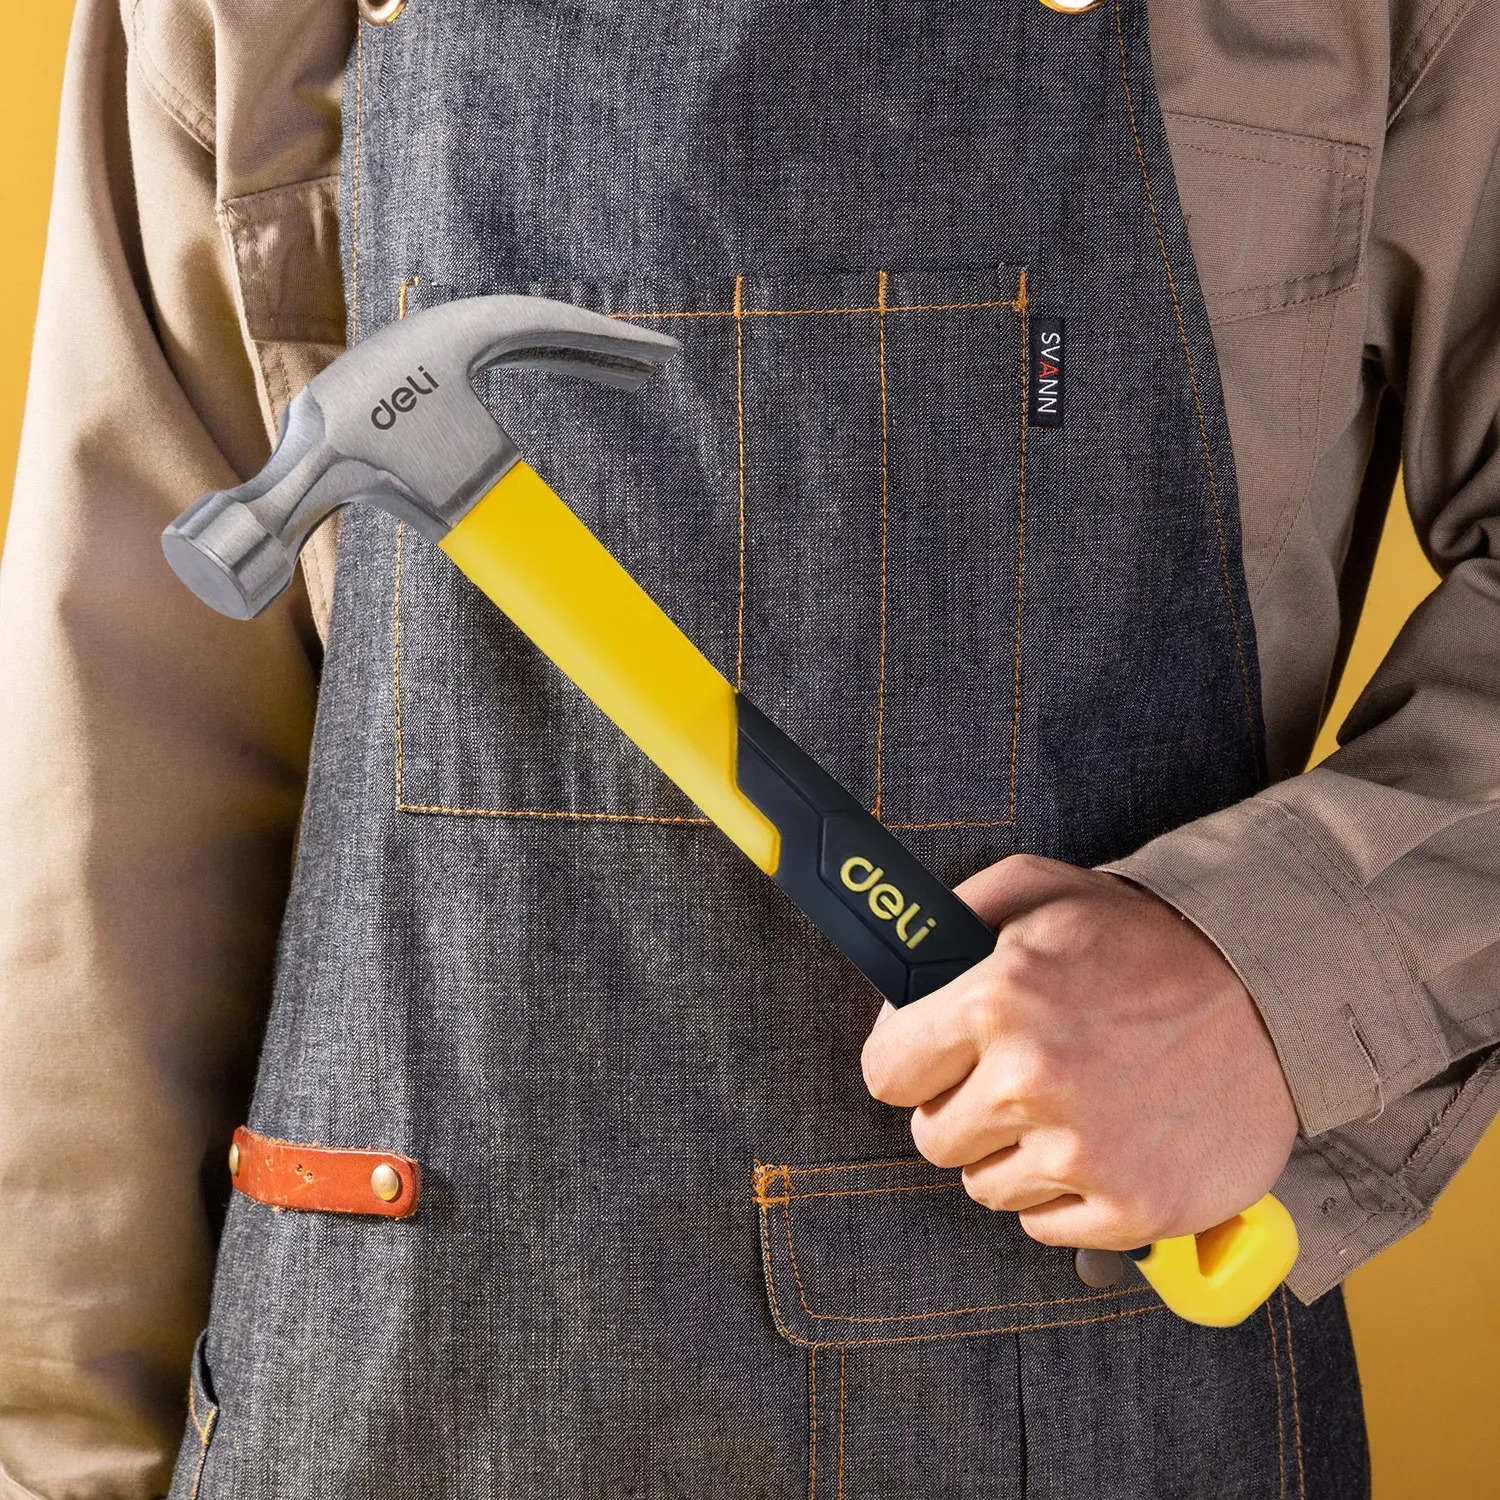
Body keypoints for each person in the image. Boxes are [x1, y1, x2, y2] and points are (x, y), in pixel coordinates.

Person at [1, 0, 1497, 1494]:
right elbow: (116, 786)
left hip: (1073, 1382)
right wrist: (57, 1463)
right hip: (379, 1382)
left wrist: (1280, 966)